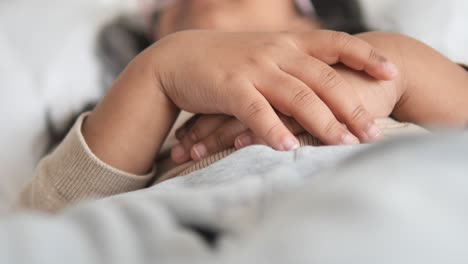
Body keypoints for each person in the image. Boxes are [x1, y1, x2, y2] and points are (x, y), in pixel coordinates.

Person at [4, 0, 468, 263]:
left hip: (380, 196)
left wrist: (398, 66)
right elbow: (45, 218)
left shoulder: (388, 76)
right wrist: (156, 73)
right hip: (175, 230)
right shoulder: (144, 117)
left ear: (310, 16)